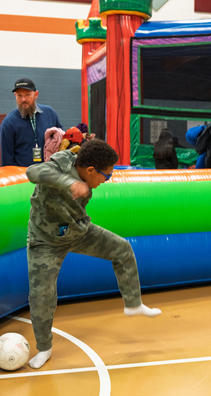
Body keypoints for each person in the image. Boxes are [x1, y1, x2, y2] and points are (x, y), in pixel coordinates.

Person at [25, 139, 162, 369]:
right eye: (106, 176)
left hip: (77, 230)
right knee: (42, 295)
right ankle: (44, 348)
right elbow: (33, 171)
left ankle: (133, 303)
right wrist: (67, 182)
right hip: (45, 240)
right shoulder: (61, 164)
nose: (106, 181)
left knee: (122, 249)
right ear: (90, 170)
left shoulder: (87, 172)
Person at [0, 78, 64, 167]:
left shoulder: (50, 113)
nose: (23, 99)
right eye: (19, 95)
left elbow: (62, 140)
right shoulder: (8, 123)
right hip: (24, 176)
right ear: (15, 95)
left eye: (27, 95)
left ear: (36, 94)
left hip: (50, 173)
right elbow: (7, 160)